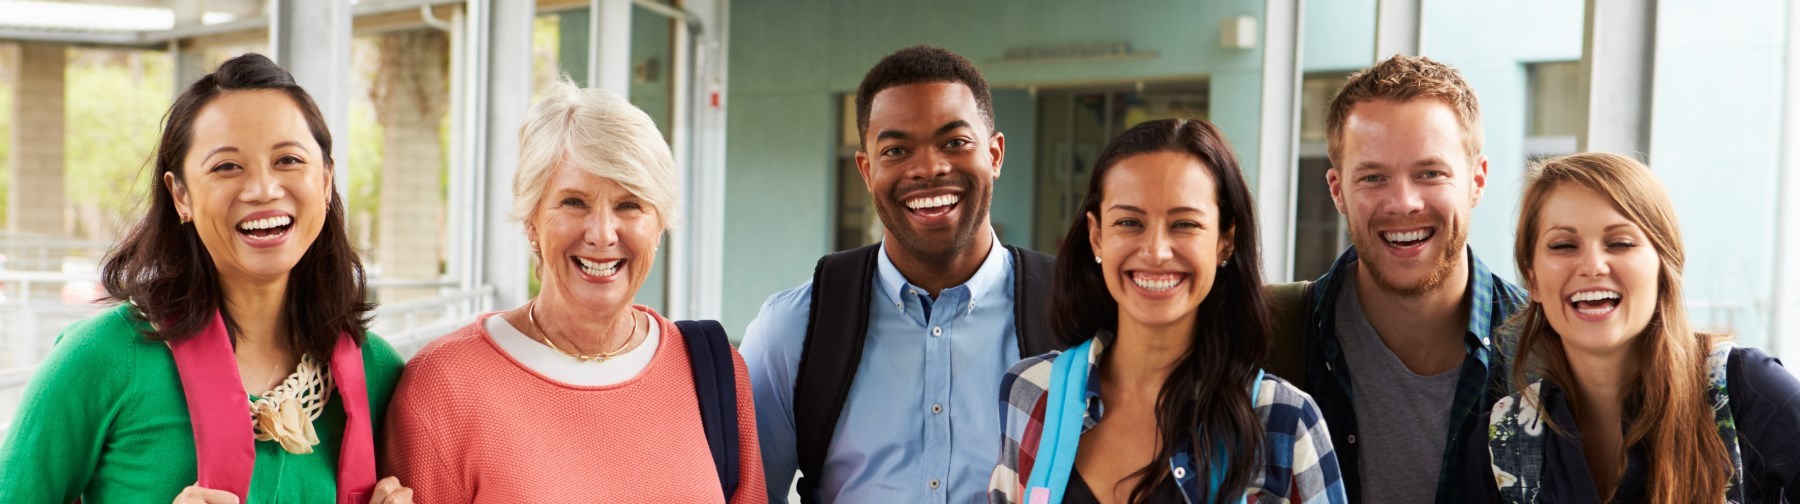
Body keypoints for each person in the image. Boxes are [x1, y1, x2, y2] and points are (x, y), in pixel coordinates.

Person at [0, 53, 411, 503]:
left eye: (289, 160)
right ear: (181, 194)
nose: (263, 190)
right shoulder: (104, 358)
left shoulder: (380, 374)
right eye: (226, 167)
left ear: (327, 179)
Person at [381, 77, 764, 503]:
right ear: (531, 221)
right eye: (574, 202)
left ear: (659, 225)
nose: (602, 234)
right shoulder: (443, 388)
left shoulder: (715, 372)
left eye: (629, 204)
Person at [738, 45, 1065, 503]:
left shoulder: (1070, 315)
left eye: (955, 142)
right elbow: (747, 495)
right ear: (867, 171)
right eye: (896, 150)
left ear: (995, 154)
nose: (929, 168)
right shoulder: (795, 328)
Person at [989, 118, 1347, 504]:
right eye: (1129, 222)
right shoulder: (1032, 391)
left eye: (1184, 224)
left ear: (1226, 240)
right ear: (1097, 235)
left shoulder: (1283, 423)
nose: (1156, 252)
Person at [1263, 54, 1528, 504]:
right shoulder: (1266, 334)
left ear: (1477, 181)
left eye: (1430, 173)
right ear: (1336, 190)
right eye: (1373, 177)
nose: (1403, 202)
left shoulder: (1548, 347)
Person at [1468, 153, 1800, 503]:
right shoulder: (1501, 440)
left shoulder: (1745, 389)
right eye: (1564, 245)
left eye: (1620, 243)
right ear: (1532, 279)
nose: (1593, 266)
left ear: (1665, 265)